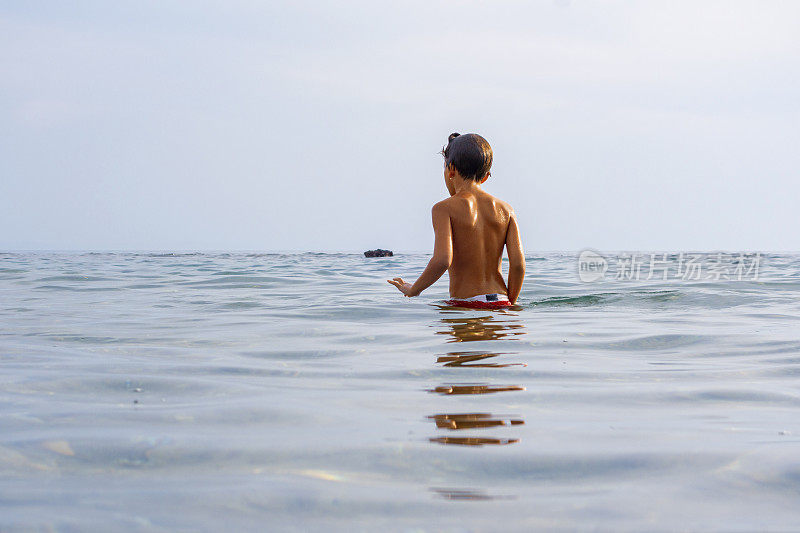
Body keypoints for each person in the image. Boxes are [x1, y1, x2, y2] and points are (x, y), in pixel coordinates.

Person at [388, 132, 525, 308]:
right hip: (501, 301)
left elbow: (442, 260)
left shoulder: (443, 208)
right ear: (485, 176)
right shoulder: (506, 210)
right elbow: (518, 265)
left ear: (451, 169)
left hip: (466, 303)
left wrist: (413, 289)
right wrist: (509, 302)